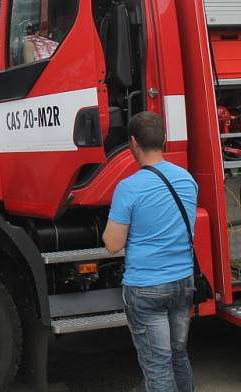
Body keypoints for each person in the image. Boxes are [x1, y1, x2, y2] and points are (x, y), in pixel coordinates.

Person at [103, 111, 197, 392]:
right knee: (178, 354)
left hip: (146, 287)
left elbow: (113, 244)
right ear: (164, 140)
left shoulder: (129, 188)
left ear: (133, 143)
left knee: (157, 365)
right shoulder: (187, 180)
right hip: (183, 283)